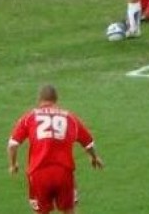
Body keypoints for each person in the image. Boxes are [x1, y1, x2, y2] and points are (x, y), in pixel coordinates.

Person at [7, 85, 103, 214]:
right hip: (63, 172)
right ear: (56, 99)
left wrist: (13, 164)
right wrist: (94, 157)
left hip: (38, 172)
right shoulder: (70, 117)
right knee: (69, 210)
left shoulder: (29, 117)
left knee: (42, 211)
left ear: (39, 99)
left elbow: (12, 144)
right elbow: (88, 143)